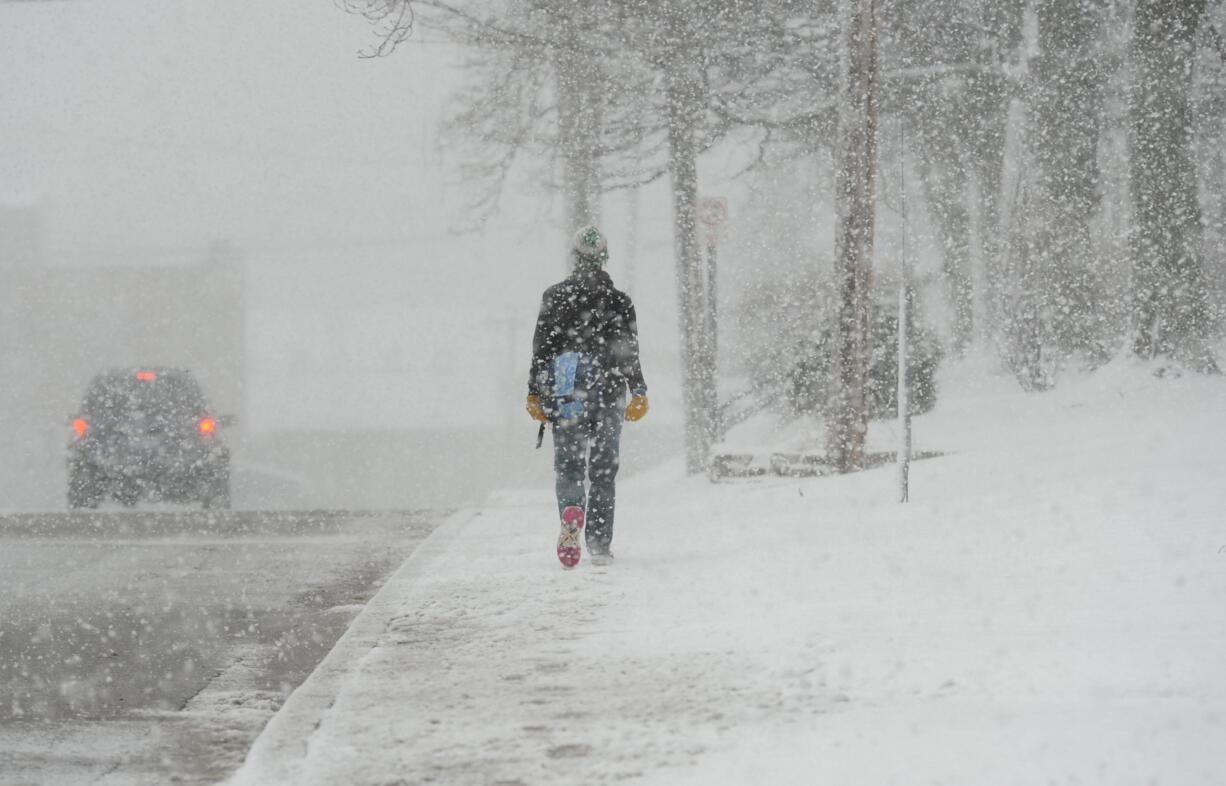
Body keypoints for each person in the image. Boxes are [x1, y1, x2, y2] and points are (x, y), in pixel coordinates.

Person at [526, 226, 648, 569]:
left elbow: (541, 350)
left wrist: (534, 392)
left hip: (568, 396)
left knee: (569, 467)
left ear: (574, 258)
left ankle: (571, 510)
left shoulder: (554, 296)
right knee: (604, 471)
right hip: (609, 393)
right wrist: (638, 389)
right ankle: (599, 541)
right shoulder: (620, 302)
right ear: (604, 258)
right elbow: (629, 353)